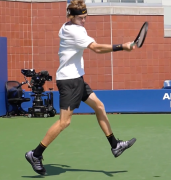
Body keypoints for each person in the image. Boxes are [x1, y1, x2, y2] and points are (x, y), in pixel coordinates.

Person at [25, 0, 136, 175]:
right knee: (64, 122)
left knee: (99, 106)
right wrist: (122, 46)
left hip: (77, 79)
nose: (84, 20)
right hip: (69, 82)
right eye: (81, 18)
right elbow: (96, 49)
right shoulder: (74, 31)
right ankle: (35, 154)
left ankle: (115, 145)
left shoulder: (67, 25)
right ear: (72, 17)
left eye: (86, 17)